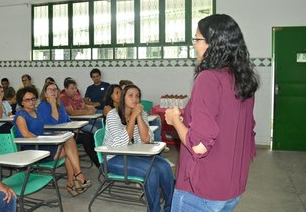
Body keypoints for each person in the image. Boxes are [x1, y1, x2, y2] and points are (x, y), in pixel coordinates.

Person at [165, 14, 259, 211]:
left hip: (202, 189)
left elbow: (199, 146)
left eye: (197, 39)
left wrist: (175, 120)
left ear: (212, 43)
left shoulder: (208, 78)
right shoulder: (243, 79)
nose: (194, 45)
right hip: (232, 187)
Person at [103, 84, 174, 212]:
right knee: (150, 171)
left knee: (164, 166)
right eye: (130, 95)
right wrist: (133, 117)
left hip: (133, 155)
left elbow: (147, 139)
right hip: (113, 158)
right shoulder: (113, 115)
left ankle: (170, 207)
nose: (134, 99)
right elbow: (122, 143)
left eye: (137, 96)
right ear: (123, 98)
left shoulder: (142, 114)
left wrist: (139, 116)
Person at [13, 87, 92, 197]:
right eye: (27, 100)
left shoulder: (36, 112)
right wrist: (44, 139)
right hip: (32, 149)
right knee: (70, 152)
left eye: (33, 99)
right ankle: (74, 180)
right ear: (21, 102)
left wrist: (51, 137)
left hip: (42, 144)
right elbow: (26, 135)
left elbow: (43, 129)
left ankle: (74, 179)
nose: (31, 102)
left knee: (69, 138)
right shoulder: (21, 115)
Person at [38, 82, 99, 168]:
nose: (53, 92)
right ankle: (99, 165)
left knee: (89, 135)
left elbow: (68, 120)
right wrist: (52, 104)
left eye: (55, 90)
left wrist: (76, 129)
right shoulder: (43, 106)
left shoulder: (59, 104)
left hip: (66, 133)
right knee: (86, 139)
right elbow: (54, 122)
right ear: (45, 93)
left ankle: (98, 162)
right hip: (54, 137)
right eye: (50, 90)